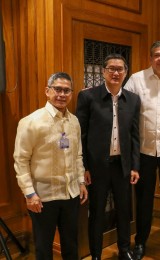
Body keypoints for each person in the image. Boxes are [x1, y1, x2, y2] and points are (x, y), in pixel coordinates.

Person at [14, 72, 88, 260]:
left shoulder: (74, 121)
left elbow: (77, 154)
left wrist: (80, 182)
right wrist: (29, 194)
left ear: (71, 94)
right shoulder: (31, 122)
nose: (62, 94)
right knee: (44, 247)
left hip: (70, 193)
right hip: (43, 197)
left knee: (71, 243)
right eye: (57, 89)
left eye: (66, 90)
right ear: (47, 91)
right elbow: (21, 160)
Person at [76, 54, 140, 260]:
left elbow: (135, 135)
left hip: (122, 166)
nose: (115, 72)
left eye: (120, 69)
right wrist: (83, 167)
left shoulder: (133, 99)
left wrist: (135, 166)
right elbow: (81, 135)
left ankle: (124, 250)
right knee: (96, 213)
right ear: (103, 72)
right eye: (111, 68)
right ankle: (95, 254)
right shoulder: (88, 97)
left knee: (124, 210)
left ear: (125, 72)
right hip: (96, 167)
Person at [124, 40, 160, 259]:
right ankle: (140, 241)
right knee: (143, 199)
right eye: (157, 55)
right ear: (150, 58)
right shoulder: (136, 80)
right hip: (143, 152)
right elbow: (125, 112)